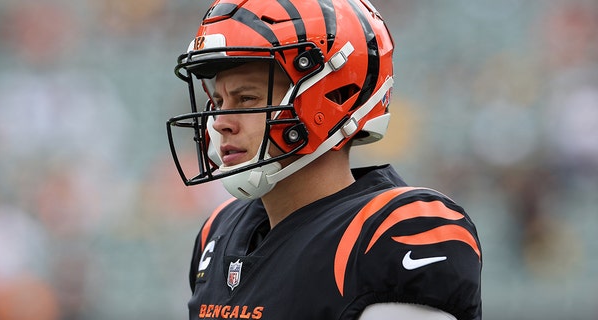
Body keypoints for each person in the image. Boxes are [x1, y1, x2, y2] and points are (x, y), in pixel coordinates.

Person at [166, 0, 482, 319]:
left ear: (334, 97)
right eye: (219, 101)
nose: (220, 121)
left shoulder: (395, 230)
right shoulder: (218, 231)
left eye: (246, 98)